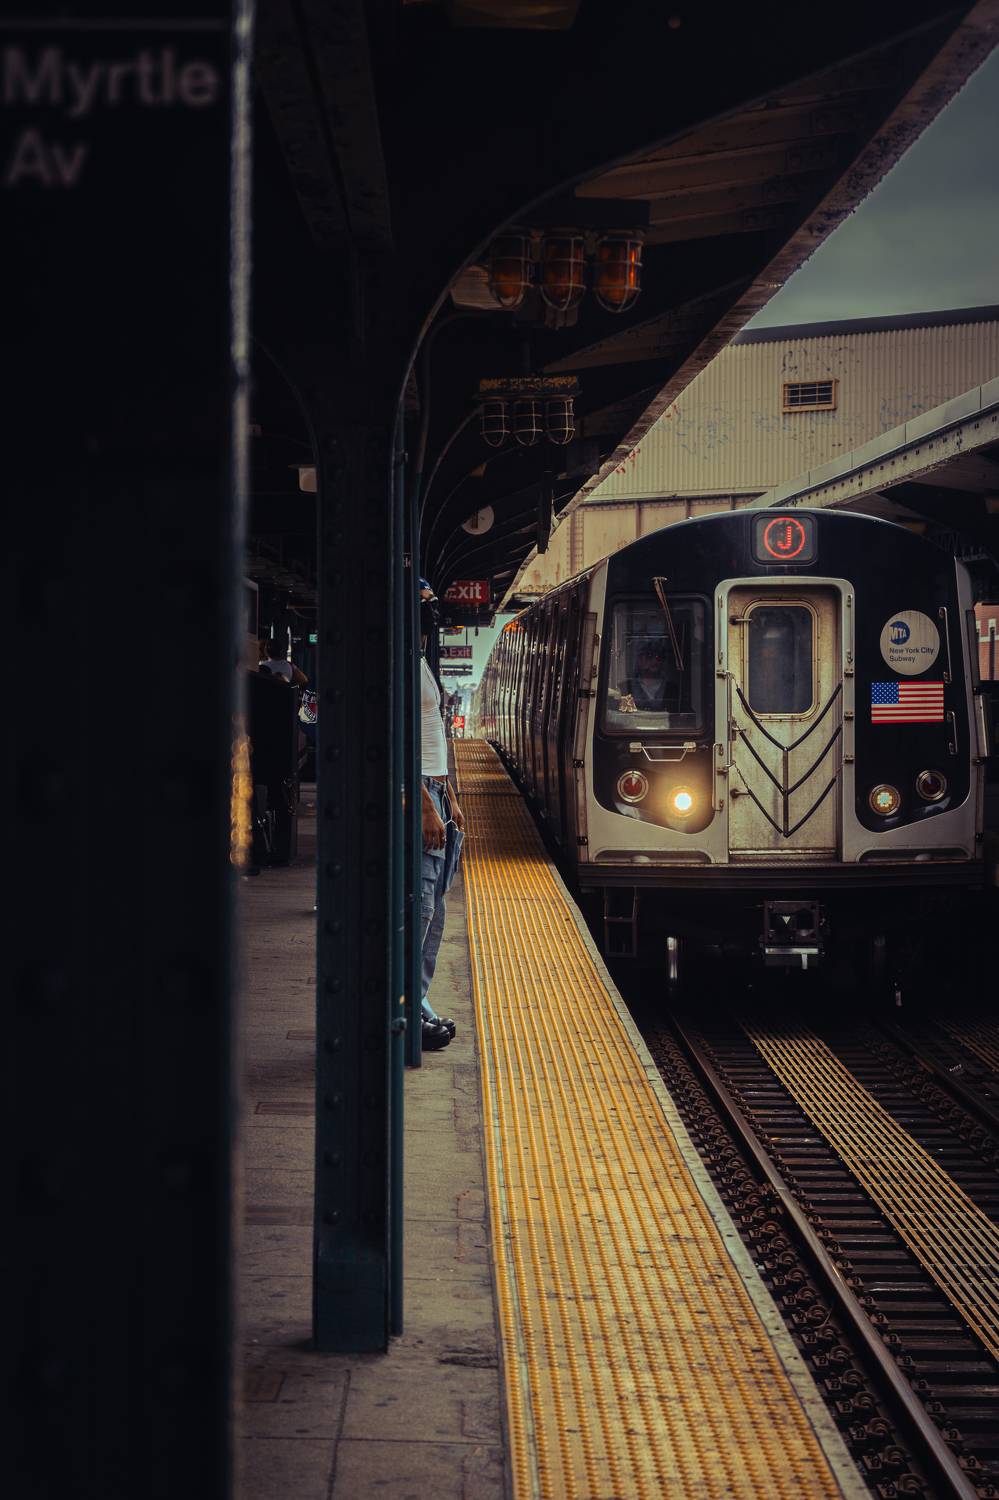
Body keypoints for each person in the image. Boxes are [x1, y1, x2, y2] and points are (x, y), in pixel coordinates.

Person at [419, 579, 465, 1052]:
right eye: (424, 604)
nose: (432, 613)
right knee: (422, 906)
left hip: (435, 789)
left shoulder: (419, 662)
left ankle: (420, 998)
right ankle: (406, 1006)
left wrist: (447, 790)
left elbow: (430, 730)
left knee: (436, 908)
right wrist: (424, 803)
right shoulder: (397, 663)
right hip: (421, 794)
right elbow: (396, 739)